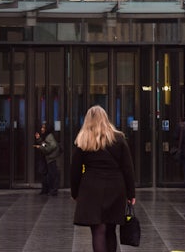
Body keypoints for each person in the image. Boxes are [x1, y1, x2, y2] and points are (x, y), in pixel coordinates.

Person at [71, 105, 135, 252]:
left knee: (97, 230)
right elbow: (128, 168)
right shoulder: (118, 138)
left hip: (91, 188)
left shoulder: (83, 140)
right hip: (115, 187)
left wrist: (76, 193)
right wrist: (131, 193)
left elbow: (74, 170)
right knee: (111, 229)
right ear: (106, 119)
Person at [34, 121, 61, 196]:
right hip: (48, 159)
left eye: (43, 127)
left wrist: (42, 147)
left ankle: (53, 190)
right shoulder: (46, 136)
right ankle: (47, 190)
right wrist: (39, 140)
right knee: (48, 174)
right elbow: (45, 144)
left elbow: (52, 146)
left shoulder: (49, 136)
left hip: (51, 158)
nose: (41, 129)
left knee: (52, 175)